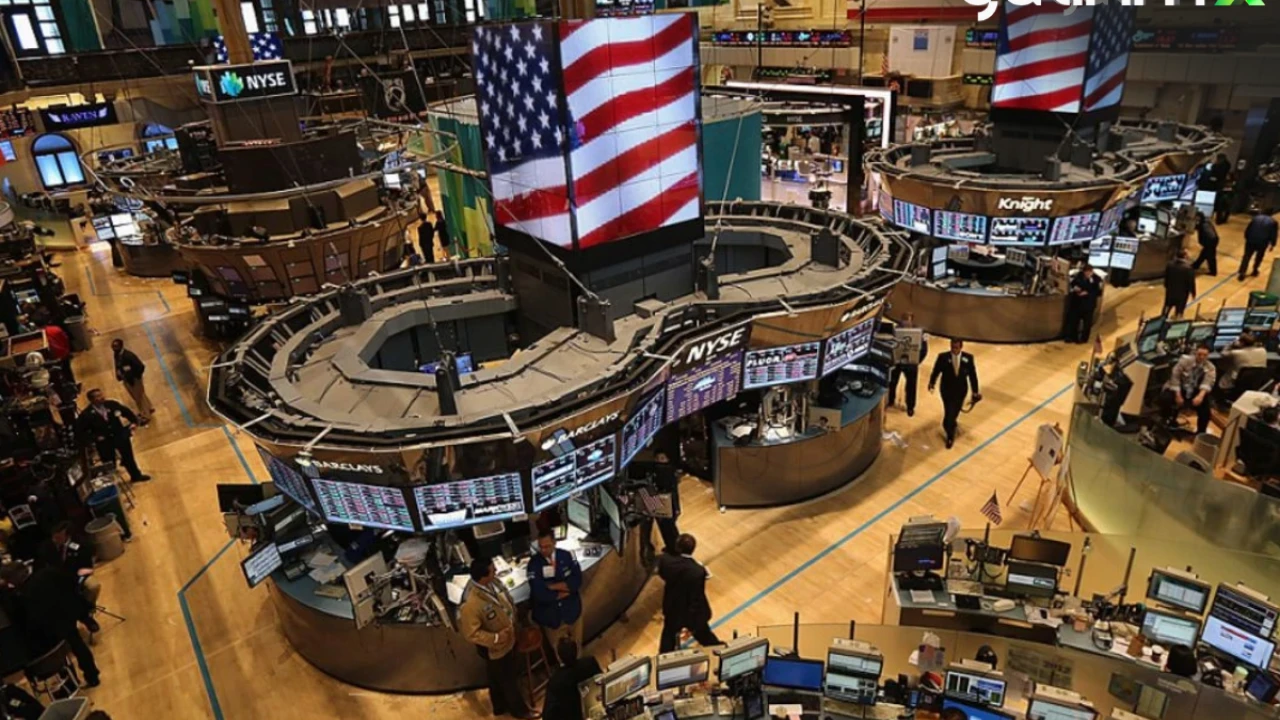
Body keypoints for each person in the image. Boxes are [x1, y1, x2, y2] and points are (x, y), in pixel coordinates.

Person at [460, 557, 538, 719]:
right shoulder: (470, 603)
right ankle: (521, 711)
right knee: (509, 680)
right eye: (492, 570)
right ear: (483, 577)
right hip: (495, 647)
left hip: (508, 638)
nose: (496, 571)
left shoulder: (492, 583)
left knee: (496, 676)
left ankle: (499, 706)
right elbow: (471, 633)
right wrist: (495, 638)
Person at [0, 562, 100, 688]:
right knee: (78, 646)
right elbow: (72, 583)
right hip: (70, 612)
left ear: (14, 578)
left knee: (57, 651)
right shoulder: (48, 572)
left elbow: (30, 619)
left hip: (51, 629)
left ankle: (70, 684)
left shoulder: (24, 595)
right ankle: (92, 675)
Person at [656, 534, 720, 653]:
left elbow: (663, 573)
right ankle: (722, 652)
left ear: (677, 547)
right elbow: (696, 596)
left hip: (673, 609)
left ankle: (664, 660)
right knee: (706, 637)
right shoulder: (698, 571)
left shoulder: (666, 561)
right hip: (692, 613)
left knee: (668, 639)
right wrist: (692, 625)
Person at [526, 531, 583, 664]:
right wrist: (561, 592)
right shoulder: (533, 564)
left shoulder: (567, 555)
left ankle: (579, 668)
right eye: (541, 547)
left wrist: (552, 586)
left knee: (577, 647)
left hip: (572, 611)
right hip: (551, 617)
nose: (543, 550)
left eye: (547, 546)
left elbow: (577, 581)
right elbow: (539, 593)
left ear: (554, 543)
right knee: (559, 652)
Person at [37, 522, 99, 633]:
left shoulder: (80, 544)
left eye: (58, 537)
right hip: (57, 580)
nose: (55, 540)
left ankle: (87, 611)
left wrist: (80, 575)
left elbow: (87, 564)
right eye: (54, 537)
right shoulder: (47, 547)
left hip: (77, 576)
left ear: (66, 535)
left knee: (93, 586)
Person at [76, 389, 150, 483]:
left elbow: (126, 412)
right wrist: (95, 438)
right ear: (92, 400)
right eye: (98, 396)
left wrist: (134, 422)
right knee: (109, 463)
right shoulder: (86, 414)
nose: (101, 397)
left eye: (101, 395)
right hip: (104, 442)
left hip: (120, 436)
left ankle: (136, 476)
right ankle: (112, 482)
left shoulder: (112, 404)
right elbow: (80, 431)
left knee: (128, 457)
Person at [928, 339, 981, 449]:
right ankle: (950, 436)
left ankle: (950, 423)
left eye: (956, 347)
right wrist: (932, 382)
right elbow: (936, 371)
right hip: (946, 390)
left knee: (955, 411)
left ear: (961, 347)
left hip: (961, 391)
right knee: (949, 411)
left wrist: (975, 391)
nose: (954, 350)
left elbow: (973, 376)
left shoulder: (968, 359)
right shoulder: (943, 357)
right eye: (952, 347)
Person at [1160, 344, 1217, 434]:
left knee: (1205, 411)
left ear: (1208, 356)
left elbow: (1207, 383)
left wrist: (1200, 396)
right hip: (1180, 387)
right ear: (1195, 353)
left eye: (1205, 355)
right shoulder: (1184, 361)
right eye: (1199, 354)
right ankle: (1165, 421)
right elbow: (1175, 377)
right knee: (1165, 398)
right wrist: (1178, 395)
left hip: (1195, 390)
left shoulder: (1210, 367)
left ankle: (1200, 433)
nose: (1202, 357)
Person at [541, 639, 602, 720]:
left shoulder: (554, 682)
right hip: (595, 711)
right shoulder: (590, 662)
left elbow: (547, 716)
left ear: (559, 657)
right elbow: (600, 682)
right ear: (577, 651)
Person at [888, 313, 927, 415]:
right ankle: (890, 400)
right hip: (897, 363)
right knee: (892, 382)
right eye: (903, 321)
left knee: (911, 386)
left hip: (911, 364)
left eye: (907, 321)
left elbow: (924, 350)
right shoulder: (895, 330)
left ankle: (910, 406)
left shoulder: (920, 333)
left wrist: (917, 361)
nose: (905, 323)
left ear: (912, 321)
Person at [111, 339, 152, 425]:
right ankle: (149, 408)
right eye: (113, 346)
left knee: (139, 398)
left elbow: (141, 367)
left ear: (121, 346)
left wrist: (135, 377)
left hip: (134, 379)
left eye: (116, 346)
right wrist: (119, 375)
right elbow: (117, 366)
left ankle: (145, 415)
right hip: (127, 379)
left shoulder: (129, 356)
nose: (114, 348)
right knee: (139, 395)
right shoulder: (117, 354)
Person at [1065, 264, 1103, 343]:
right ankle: (1073, 338)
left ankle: (1083, 339)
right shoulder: (1079, 275)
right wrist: (1075, 287)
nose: (1087, 274)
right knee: (1074, 321)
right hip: (1077, 303)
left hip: (1088, 305)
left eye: (1089, 272)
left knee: (1087, 324)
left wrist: (1087, 293)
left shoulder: (1096, 279)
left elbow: (1098, 292)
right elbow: (1073, 283)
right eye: (1086, 272)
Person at [652, 452, 682, 553]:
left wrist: (677, 508)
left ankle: (676, 549)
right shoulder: (663, 470)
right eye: (657, 458)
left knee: (669, 527)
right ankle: (671, 547)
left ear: (667, 459)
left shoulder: (668, 471)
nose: (659, 460)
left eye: (662, 458)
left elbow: (674, 491)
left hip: (667, 501)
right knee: (664, 528)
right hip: (662, 501)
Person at [1239, 209, 1278, 280]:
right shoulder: (1273, 222)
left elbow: (1248, 228)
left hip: (1251, 240)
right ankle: (1255, 270)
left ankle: (1242, 272)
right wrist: (1273, 244)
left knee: (1246, 256)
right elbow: (1273, 234)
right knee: (1259, 257)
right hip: (1262, 242)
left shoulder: (1255, 218)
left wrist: (1247, 237)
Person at [1163, 250, 1197, 318]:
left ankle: (1162, 318)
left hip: (1171, 291)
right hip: (1182, 294)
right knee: (1179, 310)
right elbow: (1191, 282)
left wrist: (1167, 286)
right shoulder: (1188, 268)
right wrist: (1193, 292)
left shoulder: (1170, 265)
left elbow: (1166, 277)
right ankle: (1177, 320)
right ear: (1185, 256)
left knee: (1167, 307)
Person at [1191, 212, 1219, 276]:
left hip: (1210, 242)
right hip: (1214, 240)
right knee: (1203, 254)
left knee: (1210, 257)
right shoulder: (1206, 222)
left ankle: (1213, 272)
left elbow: (1205, 233)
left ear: (1199, 218)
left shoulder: (1203, 225)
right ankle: (1196, 265)